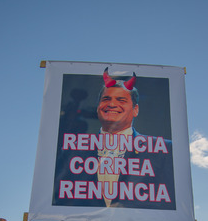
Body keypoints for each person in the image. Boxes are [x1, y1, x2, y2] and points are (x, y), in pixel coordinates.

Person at [53, 68, 175, 209]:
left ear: (135, 109)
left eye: (121, 100)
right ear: (98, 107)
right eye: (106, 99)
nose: (111, 104)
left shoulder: (165, 150)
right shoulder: (72, 149)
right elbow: (61, 198)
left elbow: (169, 201)